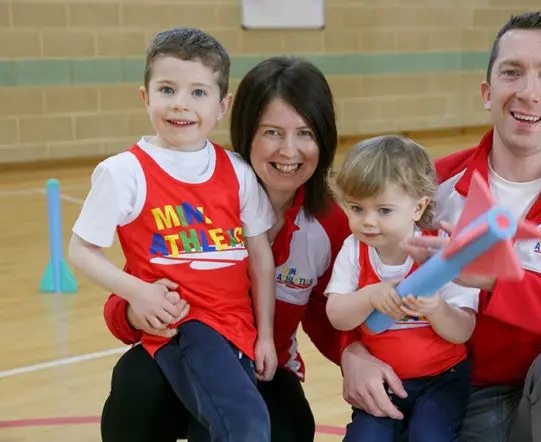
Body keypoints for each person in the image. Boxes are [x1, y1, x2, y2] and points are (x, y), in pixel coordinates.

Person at [339, 11, 541, 442]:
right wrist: (352, 352)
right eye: (512, 72)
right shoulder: (429, 190)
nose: (528, 92)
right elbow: (361, 275)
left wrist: (499, 282)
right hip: (452, 398)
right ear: (487, 92)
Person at [99, 55, 350, 442]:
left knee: (291, 428)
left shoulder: (330, 225)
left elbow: (329, 316)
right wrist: (135, 312)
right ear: (246, 131)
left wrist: (357, 357)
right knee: (135, 385)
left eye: (305, 133)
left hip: (262, 366)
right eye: (272, 132)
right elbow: (123, 301)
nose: (289, 150)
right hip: (179, 355)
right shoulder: (202, 190)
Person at [69, 27, 277, 441]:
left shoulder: (237, 171)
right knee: (245, 424)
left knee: (222, 425)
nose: (181, 103)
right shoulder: (124, 172)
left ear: (222, 105)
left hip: (238, 330)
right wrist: (138, 293)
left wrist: (267, 336)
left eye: (198, 92)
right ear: (145, 97)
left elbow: (260, 257)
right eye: (167, 89)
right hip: (185, 324)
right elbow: (81, 250)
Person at [325, 135, 480, 441]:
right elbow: (337, 316)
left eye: (383, 210)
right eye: (356, 208)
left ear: (418, 208)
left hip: (442, 380)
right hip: (384, 380)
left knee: (428, 436)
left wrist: (436, 308)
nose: (368, 222)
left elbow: (463, 331)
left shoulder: (441, 251)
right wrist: (369, 296)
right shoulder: (353, 250)